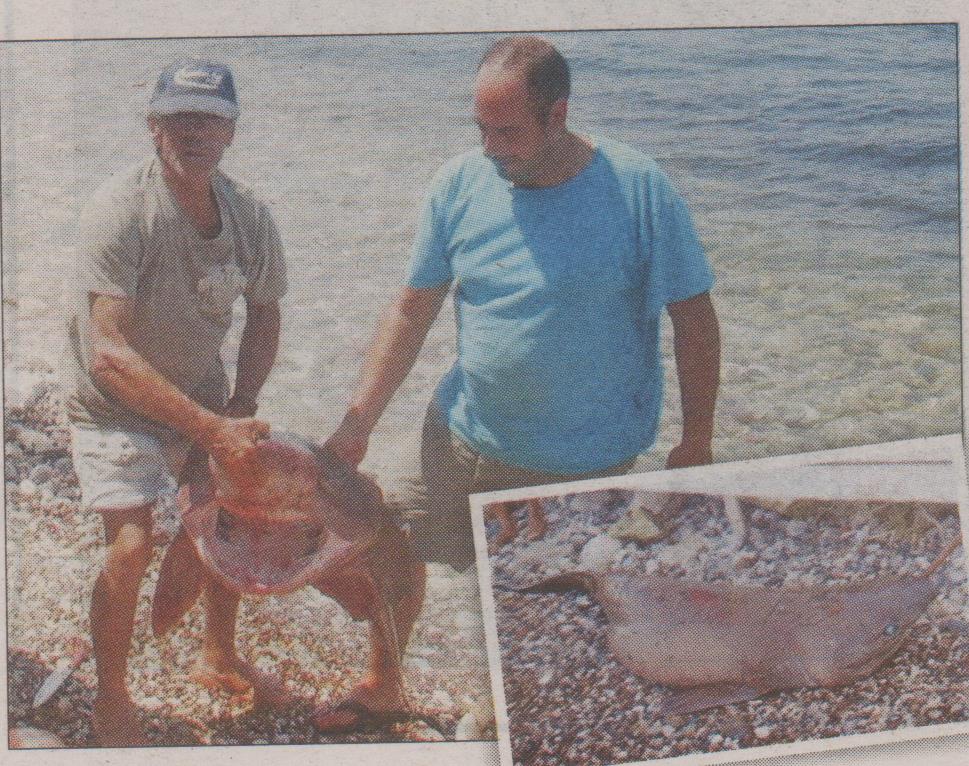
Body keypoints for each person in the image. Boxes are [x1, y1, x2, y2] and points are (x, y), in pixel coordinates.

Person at [326, 28, 719, 621]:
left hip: (576, 458)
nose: (489, 147)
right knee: (386, 541)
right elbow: (412, 309)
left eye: (506, 131)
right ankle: (386, 684)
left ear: (557, 114)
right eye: (481, 128)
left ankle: (491, 713)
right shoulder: (460, 183)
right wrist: (359, 422)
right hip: (461, 434)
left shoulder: (639, 189)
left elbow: (694, 323)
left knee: (541, 608)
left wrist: (697, 442)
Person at [65, 59, 288, 746]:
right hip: (112, 403)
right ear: (154, 126)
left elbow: (266, 313)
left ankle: (217, 652)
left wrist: (240, 405)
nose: (195, 131)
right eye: (180, 117)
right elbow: (109, 351)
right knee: (132, 545)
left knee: (234, 515)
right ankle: (111, 696)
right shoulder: (120, 209)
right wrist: (211, 430)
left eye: (210, 119)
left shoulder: (250, 215)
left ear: (231, 132)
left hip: (200, 394)